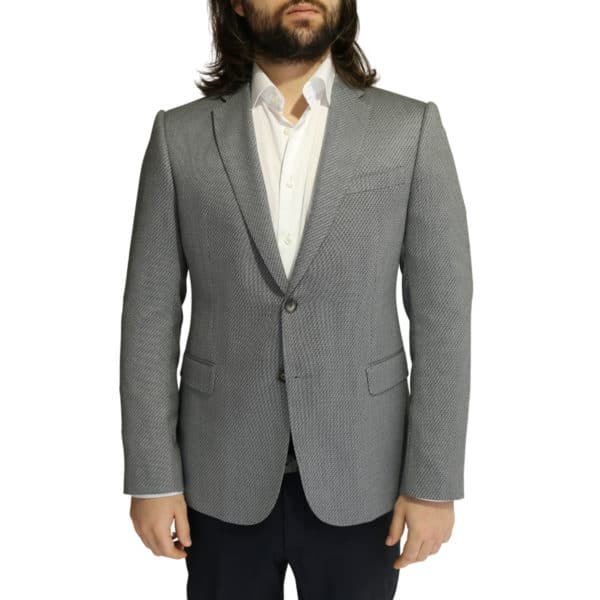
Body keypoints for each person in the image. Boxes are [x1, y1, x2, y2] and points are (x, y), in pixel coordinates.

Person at [119, 1, 473, 598]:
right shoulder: (180, 137)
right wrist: (153, 477)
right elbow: (148, 316)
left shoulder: (408, 130)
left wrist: (433, 484)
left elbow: (444, 317)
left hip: (364, 471)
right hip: (219, 473)